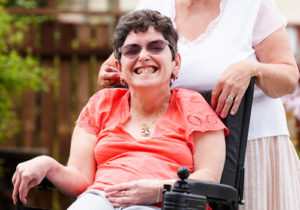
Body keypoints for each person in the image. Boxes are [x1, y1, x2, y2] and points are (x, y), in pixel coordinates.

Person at [12, 10, 228, 210]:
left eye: (155, 47)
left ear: (175, 63)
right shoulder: (101, 104)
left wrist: (159, 190)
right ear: (119, 69)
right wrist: (48, 165)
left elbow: (209, 177)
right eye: (132, 50)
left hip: (165, 203)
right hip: (99, 198)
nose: (143, 56)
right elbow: (81, 179)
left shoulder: (193, 106)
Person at [98, 0, 300, 209]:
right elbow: (115, 66)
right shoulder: (155, 5)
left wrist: (251, 69)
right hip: (177, 157)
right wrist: (110, 74)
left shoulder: (252, 6)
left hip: (251, 148)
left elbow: (289, 77)